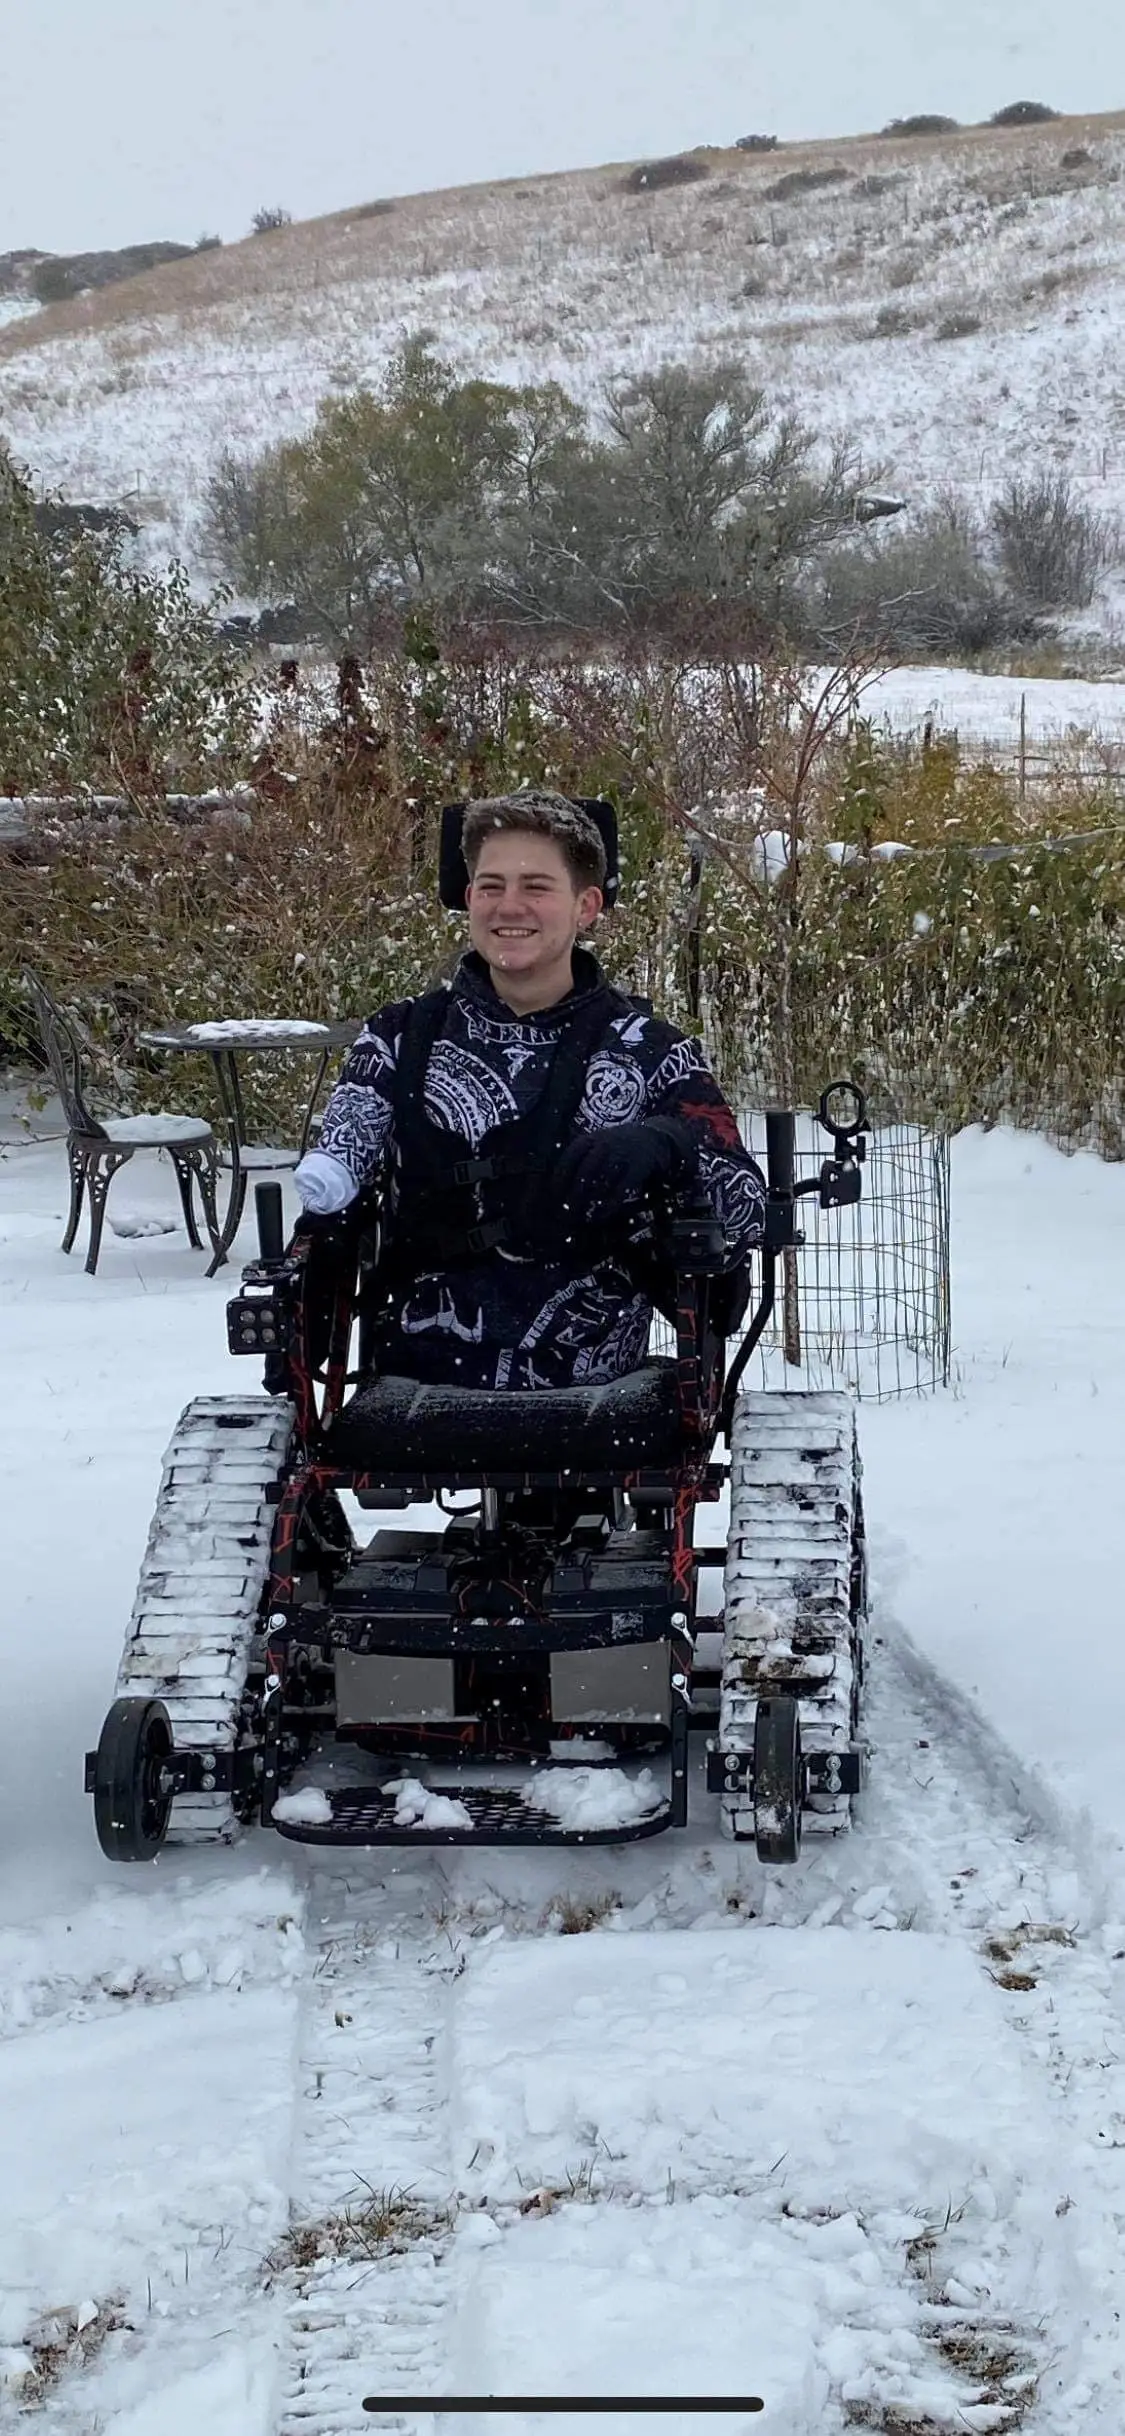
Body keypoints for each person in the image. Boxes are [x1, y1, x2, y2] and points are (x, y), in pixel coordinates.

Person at [293, 790, 765, 1391]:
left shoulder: (647, 1050)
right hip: (417, 1377)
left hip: (595, 1386)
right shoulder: (398, 1038)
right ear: (468, 899)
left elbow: (745, 1206)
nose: (508, 905)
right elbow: (336, 1169)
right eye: (490, 886)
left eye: (536, 886)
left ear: (586, 905)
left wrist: (666, 1146)